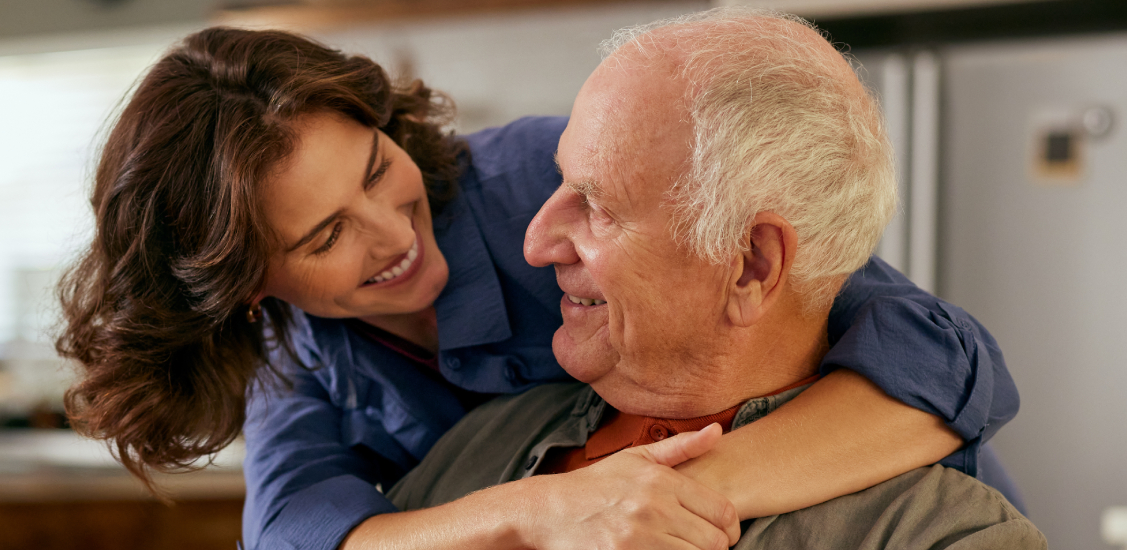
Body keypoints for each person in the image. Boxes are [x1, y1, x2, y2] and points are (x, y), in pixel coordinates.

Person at [55, 19, 1017, 550]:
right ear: (251, 287)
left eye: (377, 167)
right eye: (326, 234)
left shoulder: (531, 180)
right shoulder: (297, 355)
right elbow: (296, 537)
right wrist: (545, 509)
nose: (397, 234)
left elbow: (937, 353)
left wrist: (662, 496)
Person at [386, 9, 1042, 549]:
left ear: (751, 265)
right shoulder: (475, 452)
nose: (536, 242)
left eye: (598, 207)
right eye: (557, 182)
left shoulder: (944, 534)